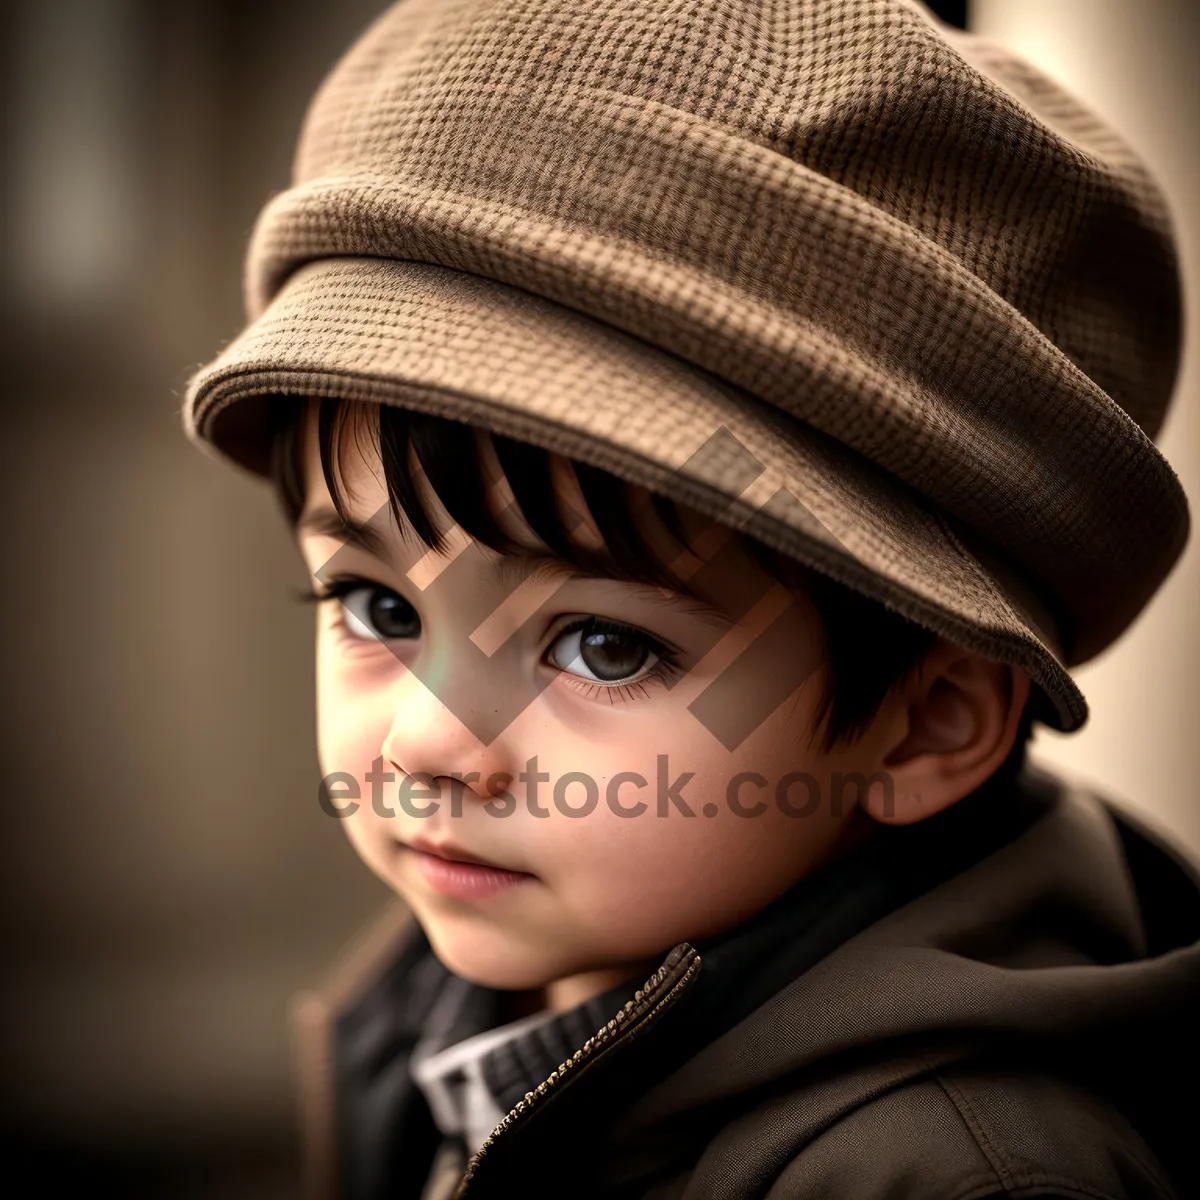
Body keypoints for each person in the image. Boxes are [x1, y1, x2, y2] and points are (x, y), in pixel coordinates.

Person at [181, 1, 1200, 1197]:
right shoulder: (464, 1006)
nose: (427, 743)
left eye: (603, 645)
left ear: (925, 722)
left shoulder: (945, 1173)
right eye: (379, 609)